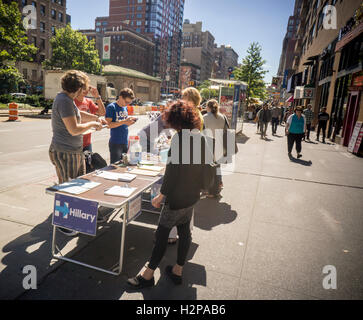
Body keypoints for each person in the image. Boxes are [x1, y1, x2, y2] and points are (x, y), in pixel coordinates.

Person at [127, 100, 211, 289]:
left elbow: (172, 172)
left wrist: (161, 195)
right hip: (192, 195)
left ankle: (148, 275)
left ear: (176, 120)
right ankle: (178, 271)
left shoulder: (180, 139)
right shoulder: (200, 137)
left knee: (162, 234)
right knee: (184, 232)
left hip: (177, 197)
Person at [49, 70, 103, 236]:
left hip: (72, 151)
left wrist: (95, 118)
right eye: (84, 88)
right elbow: (73, 129)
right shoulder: (64, 101)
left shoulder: (67, 100)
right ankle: (65, 223)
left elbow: (79, 115)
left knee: (77, 186)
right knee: (68, 188)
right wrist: (93, 124)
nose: (85, 91)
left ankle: (75, 218)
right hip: (65, 151)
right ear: (78, 88)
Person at [105, 88, 138, 164]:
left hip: (125, 141)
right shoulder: (111, 107)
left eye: (129, 103)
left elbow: (122, 124)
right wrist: (124, 121)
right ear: (120, 97)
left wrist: (128, 123)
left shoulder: (125, 107)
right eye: (126, 102)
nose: (127, 104)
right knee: (115, 167)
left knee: (124, 165)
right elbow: (108, 125)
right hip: (115, 142)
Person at [74, 83, 106, 152]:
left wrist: (97, 97)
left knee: (89, 162)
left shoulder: (88, 101)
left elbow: (102, 112)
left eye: (87, 88)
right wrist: (96, 119)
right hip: (74, 143)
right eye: (83, 88)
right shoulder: (72, 101)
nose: (86, 91)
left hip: (87, 143)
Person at [203, 99, 225, 198]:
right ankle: (216, 190)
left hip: (209, 143)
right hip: (219, 144)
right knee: (217, 168)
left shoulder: (205, 117)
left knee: (209, 169)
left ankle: (210, 191)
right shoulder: (222, 117)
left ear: (208, 107)